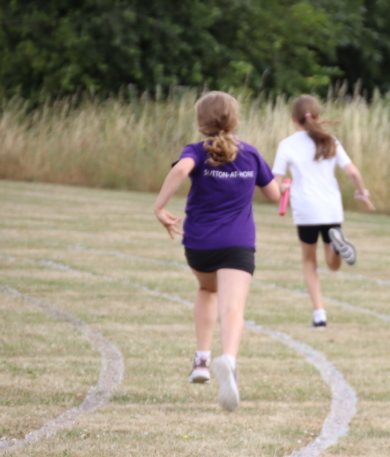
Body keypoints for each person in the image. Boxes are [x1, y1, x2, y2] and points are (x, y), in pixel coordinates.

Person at [153, 91, 280, 411]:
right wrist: (283, 184)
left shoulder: (196, 151)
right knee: (232, 308)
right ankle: (229, 361)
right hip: (237, 244)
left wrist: (160, 207)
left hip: (199, 244)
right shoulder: (251, 155)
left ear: (201, 122)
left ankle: (201, 361)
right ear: (235, 120)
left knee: (206, 289)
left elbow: (181, 170)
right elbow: (274, 195)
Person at [272, 95, 375, 329]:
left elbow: (274, 183)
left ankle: (319, 315)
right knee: (333, 264)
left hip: (305, 210)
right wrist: (363, 195)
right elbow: (353, 173)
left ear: (292, 119)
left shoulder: (287, 145)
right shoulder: (330, 141)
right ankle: (338, 247)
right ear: (318, 118)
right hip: (330, 209)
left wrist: (284, 187)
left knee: (309, 261)